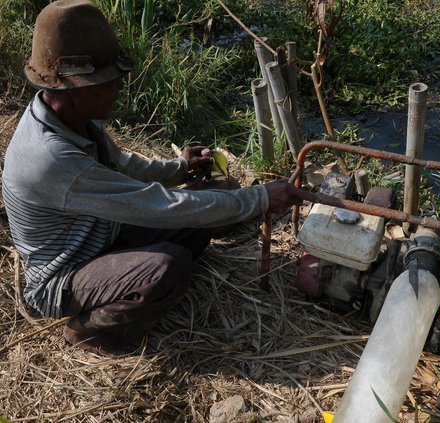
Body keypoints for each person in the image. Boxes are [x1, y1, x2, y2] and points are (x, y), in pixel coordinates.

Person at [2, 0, 305, 355]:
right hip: (64, 276)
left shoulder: (67, 118)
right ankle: (90, 330)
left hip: (100, 235)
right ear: (74, 90)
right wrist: (260, 198)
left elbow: (122, 164)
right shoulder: (50, 157)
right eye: (107, 83)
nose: (117, 90)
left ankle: (134, 269)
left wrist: (179, 168)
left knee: (197, 221)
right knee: (167, 267)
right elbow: (157, 205)